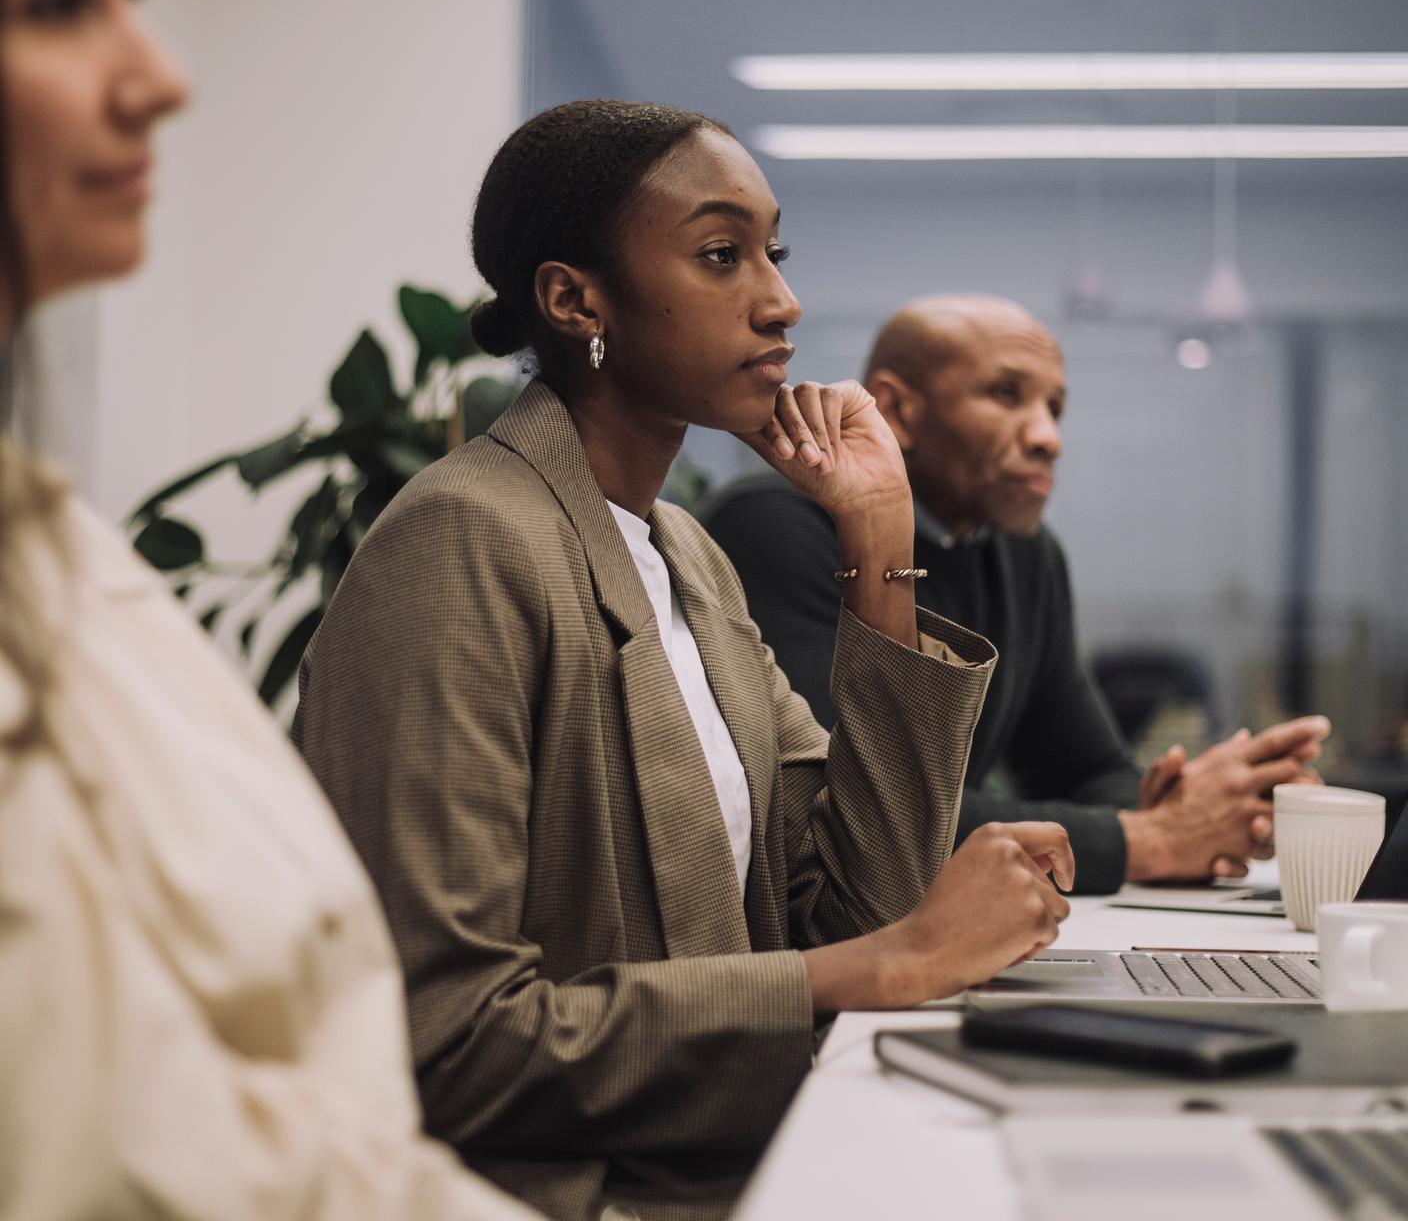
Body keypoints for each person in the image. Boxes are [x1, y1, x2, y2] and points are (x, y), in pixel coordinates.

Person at [294, 101, 1075, 1221]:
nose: (781, 299)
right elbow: (450, 1044)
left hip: (738, 1165)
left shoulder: (685, 556)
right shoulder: (460, 543)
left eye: (774, 250)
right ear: (577, 301)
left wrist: (879, 537)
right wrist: (870, 971)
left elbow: (865, 908)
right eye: (721, 255)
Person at [0, 0, 536, 1216]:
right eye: (61, 1)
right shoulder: (460, 536)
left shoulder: (64, 558)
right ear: (571, 300)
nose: (159, 77)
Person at [705, 294, 1327, 894]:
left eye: (1055, 408)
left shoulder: (1025, 554)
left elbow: (1088, 773)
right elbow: (852, 806)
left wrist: (1170, 809)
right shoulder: (774, 525)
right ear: (897, 410)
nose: (1047, 437)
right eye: (1007, 395)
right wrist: (1146, 840)